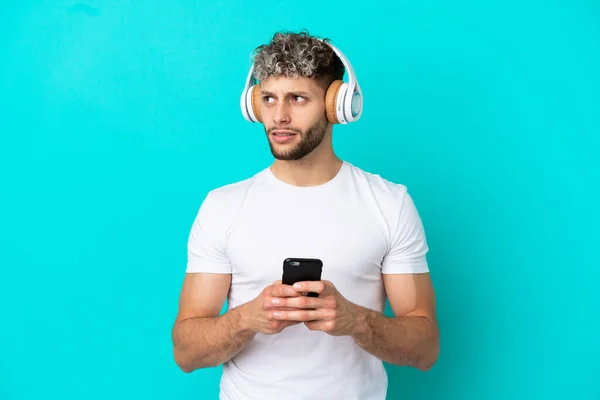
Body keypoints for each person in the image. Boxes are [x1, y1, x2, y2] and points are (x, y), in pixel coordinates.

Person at [171, 30, 440, 400]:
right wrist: (246, 319)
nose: (279, 116)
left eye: (297, 98)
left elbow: (425, 348)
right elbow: (186, 352)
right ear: (253, 104)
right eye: (268, 98)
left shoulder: (389, 203)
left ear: (336, 105)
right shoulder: (223, 206)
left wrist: (356, 321)